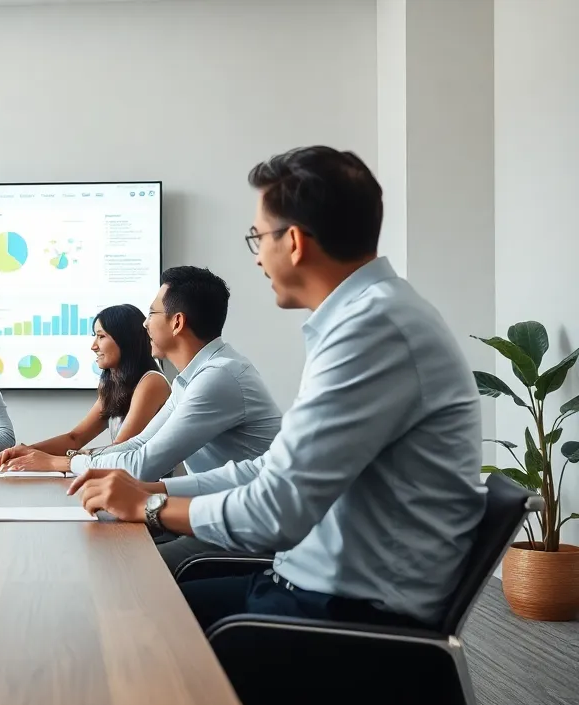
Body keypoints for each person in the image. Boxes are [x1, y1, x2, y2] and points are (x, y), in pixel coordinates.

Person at [72, 146, 485, 638]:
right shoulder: (365, 319)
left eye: (257, 237)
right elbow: (267, 471)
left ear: (292, 242)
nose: (258, 256)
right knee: (122, 601)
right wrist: (156, 488)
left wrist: (151, 508)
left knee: (123, 621)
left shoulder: (372, 329)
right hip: (306, 585)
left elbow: (276, 510)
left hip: (349, 620)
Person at [0, 266, 283, 571]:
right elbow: (139, 444)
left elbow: (142, 465)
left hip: (244, 527)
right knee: (103, 545)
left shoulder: (219, 377)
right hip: (212, 510)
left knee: (126, 565)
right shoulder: (191, 379)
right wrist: (62, 461)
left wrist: (60, 463)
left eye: (151, 313)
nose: (145, 324)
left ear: (177, 322)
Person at [0, 304, 170, 469]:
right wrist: (27, 451)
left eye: (101, 336)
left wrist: (55, 460)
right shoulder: (113, 384)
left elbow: (120, 450)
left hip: (150, 491)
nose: (93, 346)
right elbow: (75, 438)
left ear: (125, 340)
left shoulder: (151, 382)